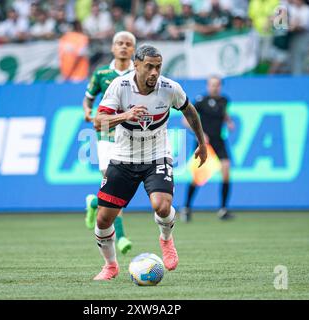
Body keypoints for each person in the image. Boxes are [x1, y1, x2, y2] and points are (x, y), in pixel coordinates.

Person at [91, 44, 208, 280]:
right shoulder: (120, 86)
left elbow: (190, 111)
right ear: (136, 65)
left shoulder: (169, 88)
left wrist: (201, 142)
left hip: (157, 156)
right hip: (123, 158)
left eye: (158, 67)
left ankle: (166, 239)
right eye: (149, 67)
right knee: (103, 219)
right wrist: (125, 115)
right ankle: (111, 266)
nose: (154, 72)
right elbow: (98, 122)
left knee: (162, 206)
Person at [83, 31, 136, 255]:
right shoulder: (102, 73)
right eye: (119, 43)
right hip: (105, 132)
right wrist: (87, 110)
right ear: (113, 48)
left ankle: (95, 203)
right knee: (112, 179)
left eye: (128, 44)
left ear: (134, 49)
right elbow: (89, 96)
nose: (123, 47)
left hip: (131, 135)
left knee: (122, 186)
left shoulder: (140, 72)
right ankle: (122, 237)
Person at [179, 76, 235, 222]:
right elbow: (185, 120)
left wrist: (229, 122)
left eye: (217, 85)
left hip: (219, 140)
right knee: (198, 177)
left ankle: (223, 209)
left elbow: (223, 114)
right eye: (212, 85)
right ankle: (186, 208)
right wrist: (200, 134)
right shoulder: (201, 101)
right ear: (207, 86)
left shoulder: (224, 100)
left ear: (220, 86)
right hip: (203, 143)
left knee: (226, 170)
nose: (214, 87)